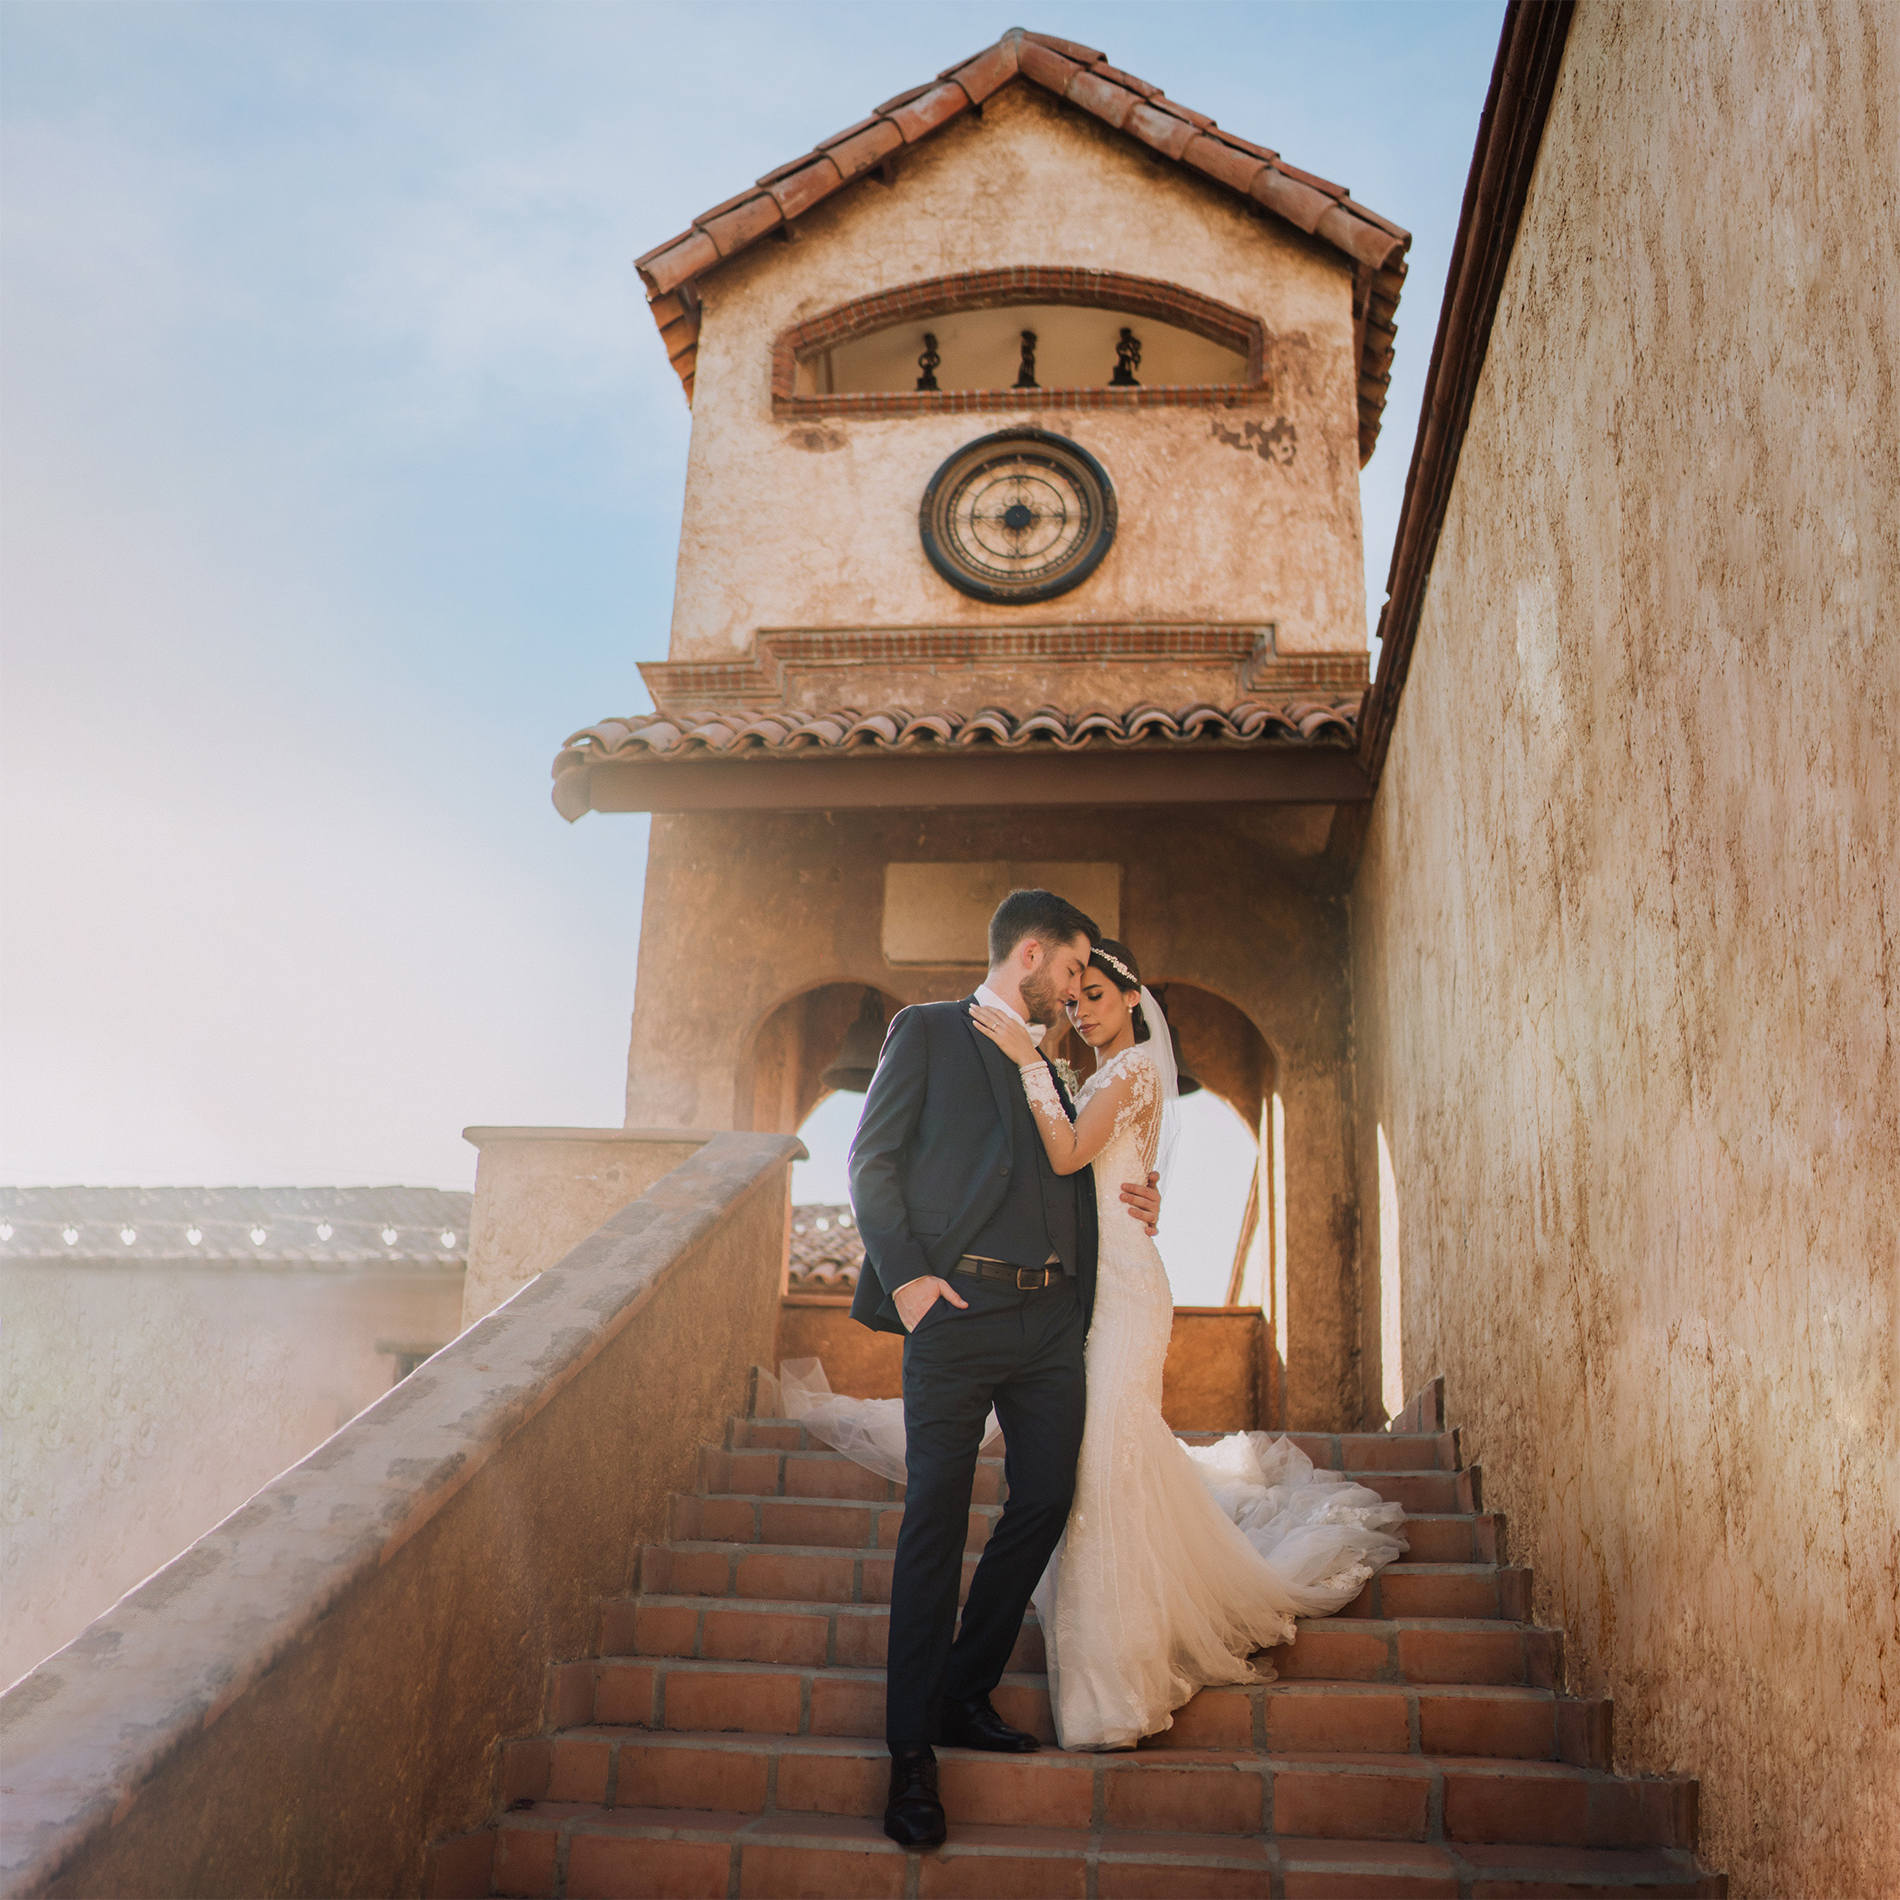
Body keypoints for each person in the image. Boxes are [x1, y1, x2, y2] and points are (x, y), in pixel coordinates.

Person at [846, 889, 1160, 1848]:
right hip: (956, 1313)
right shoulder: (929, 1031)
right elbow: (871, 1160)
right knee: (935, 1521)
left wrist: (1142, 1197)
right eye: (1069, 970)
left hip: (1050, 1323)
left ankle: (964, 1687)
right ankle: (912, 1755)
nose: (1074, 991)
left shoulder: (1057, 1064)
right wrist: (909, 1283)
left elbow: (1085, 1167)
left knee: (1047, 1499)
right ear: (1030, 955)